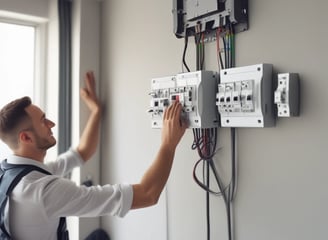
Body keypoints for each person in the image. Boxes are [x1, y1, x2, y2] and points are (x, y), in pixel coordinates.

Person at [0, 71, 187, 240]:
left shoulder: (13, 173)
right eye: (43, 121)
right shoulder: (44, 192)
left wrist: (96, 111)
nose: (52, 124)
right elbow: (147, 194)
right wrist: (168, 145)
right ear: (26, 137)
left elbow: (82, 152)